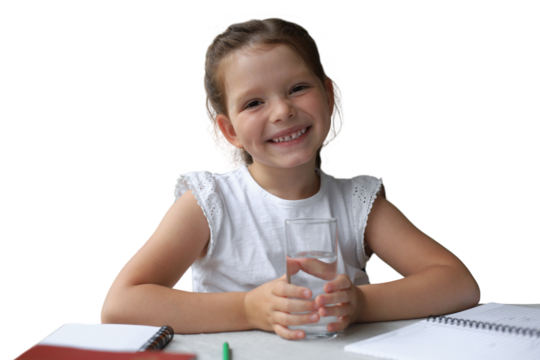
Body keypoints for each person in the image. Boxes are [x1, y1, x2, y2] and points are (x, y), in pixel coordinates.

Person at [100, 11, 481, 341]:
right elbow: (120, 305)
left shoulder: (357, 202)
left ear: (330, 98)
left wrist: (361, 303)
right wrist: (249, 310)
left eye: (297, 88)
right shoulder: (209, 201)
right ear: (229, 130)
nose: (282, 111)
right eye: (254, 102)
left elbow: (458, 284)